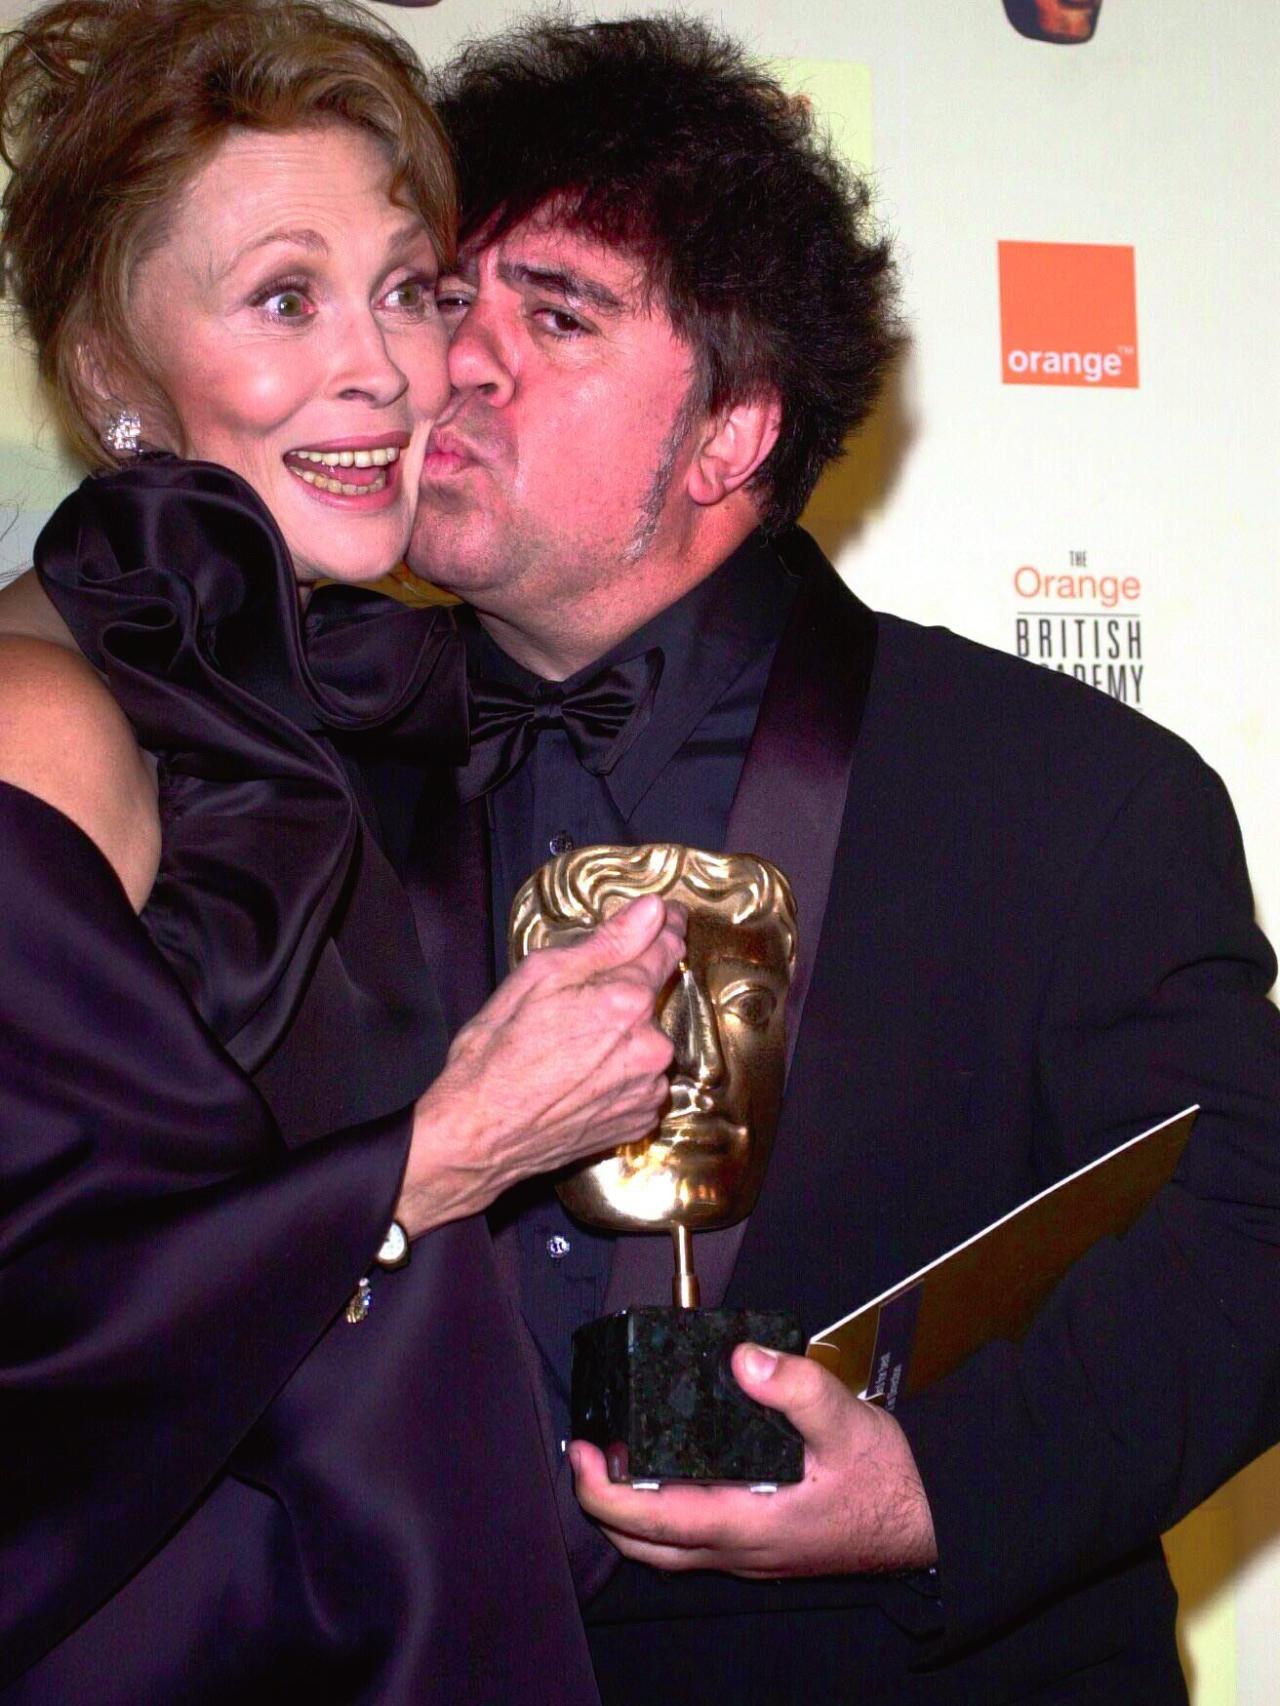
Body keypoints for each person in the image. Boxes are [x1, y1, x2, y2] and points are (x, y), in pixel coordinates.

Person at [396, 16, 1280, 1702]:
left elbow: (1254, 1233)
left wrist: (932, 1488)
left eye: (556, 313)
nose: (459, 362)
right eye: (446, 299)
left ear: (730, 432)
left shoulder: (1072, 795)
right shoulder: (285, 783)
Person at [0, 2, 683, 1699]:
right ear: (110, 378)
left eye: (408, 288)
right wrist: (437, 1153)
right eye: (284, 298)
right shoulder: (39, 719)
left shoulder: (344, 711)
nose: (384, 365)